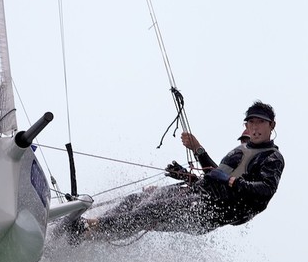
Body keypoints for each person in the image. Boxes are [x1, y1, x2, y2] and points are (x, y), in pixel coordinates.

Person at [79, 100, 284, 241]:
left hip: (211, 212)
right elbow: (215, 176)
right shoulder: (240, 150)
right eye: (251, 122)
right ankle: (92, 234)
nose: (255, 127)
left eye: (261, 122)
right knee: (136, 201)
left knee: (151, 211)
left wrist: (230, 181)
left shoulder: (272, 158)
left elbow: (265, 189)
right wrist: (197, 153)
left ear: (271, 125)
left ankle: (90, 228)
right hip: (200, 194)